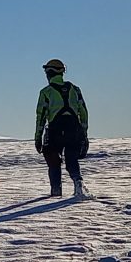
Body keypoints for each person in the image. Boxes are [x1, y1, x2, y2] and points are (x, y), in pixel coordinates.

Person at [34, 58, 90, 197]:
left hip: (55, 129)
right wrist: (83, 133)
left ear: (49, 73)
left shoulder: (46, 92)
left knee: (53, 161)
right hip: (73, 128)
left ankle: (56, 191)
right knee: (72, 158)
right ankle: (78, 182)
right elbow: (83, 112)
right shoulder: (75, 90)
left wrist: (38, 137)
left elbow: (40, 117)